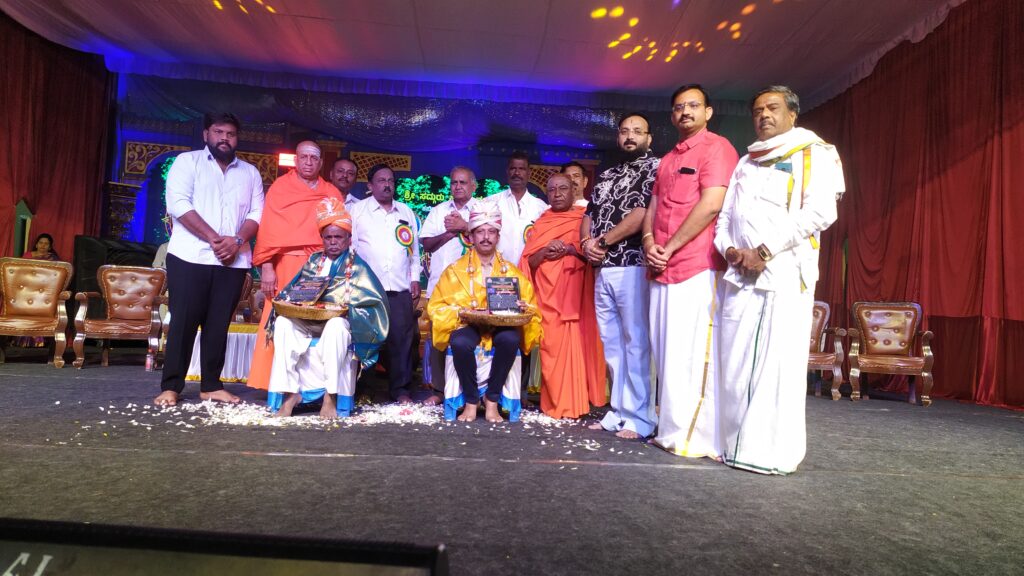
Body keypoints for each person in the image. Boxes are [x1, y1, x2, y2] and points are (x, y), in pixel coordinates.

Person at [713, 85, 844, 474]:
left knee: (776, 366)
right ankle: (732, 445)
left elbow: (819, 213)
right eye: (757, 111)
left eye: (772, 108)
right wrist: (730, 250)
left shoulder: (815, 153)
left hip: (783, 276)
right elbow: (726, 217)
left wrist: (764, 251)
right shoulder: (746, 161)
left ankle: (768, 454)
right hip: (740, 275)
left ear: (792, 114)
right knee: (733, 363)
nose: (764, 115)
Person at [641, 85, 739, 456]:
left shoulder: (718, 148)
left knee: (692, 353)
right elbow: (653, 206)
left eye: (694, 105)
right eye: (679, 107)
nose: (686, 112)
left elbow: (712, 204)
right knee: (666, 353)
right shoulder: (668, 158)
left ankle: (695, 437)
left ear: (708, 112)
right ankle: (670, 429)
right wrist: (649, 242)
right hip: (660, 267)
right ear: (672, 116)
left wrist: (669, 248)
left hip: (696, 266)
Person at [155, 112, 264, 407]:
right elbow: (178, 204)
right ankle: (171, 386)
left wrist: (237, 241)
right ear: (206, 135)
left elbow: (257, 213)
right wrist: (215, 238)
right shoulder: (187, 162)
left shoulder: (250, 172)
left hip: (233, 260)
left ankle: (212, 386)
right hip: (190, 256)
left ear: (236, 138)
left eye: (230, 133)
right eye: (218, 132)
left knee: (218, 324)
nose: (224, 138)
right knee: (183, 323)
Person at [267, 197, 389, 419]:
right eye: (328, 237)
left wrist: (348, 309)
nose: (333, 242)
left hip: (339, 323)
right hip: (307, 320)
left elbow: (375, 306)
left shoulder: (359, 268)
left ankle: (330, 397)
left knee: (335, 327)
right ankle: (290, 394)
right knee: (283, 323)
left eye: (338, 237)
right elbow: (294, 290)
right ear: (322, 239)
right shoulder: (314, 262)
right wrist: (292, 302)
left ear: (348, 239)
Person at [581, 112, 660, 439]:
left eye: (637, 131)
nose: (630, 136)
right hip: (603, 268)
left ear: (648, 138)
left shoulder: (655, 168)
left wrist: (602, 242)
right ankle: (618, 411)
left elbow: (643, 214)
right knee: (612, 344)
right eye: (625, 131)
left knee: (636, 343)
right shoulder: (607, 174)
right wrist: (586, 244)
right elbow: (589, 214)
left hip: (633, 265)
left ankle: (641, 418)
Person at [427, 202, 541, 423]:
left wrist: (521, 307)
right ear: (471, 236)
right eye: (480, 232)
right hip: (467, 324)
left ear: (498, 237)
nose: (486, 237)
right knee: (460, 342)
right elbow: (437, 307)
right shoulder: (454, 271)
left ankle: (492, 399)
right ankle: (471, 401)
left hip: (501, 325)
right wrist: (460, 311)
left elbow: (531, 308)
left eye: (491, 232)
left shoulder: (512, 272)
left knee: (510, 339)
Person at [247, 141, 345, 391]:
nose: (309, 162)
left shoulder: (331, 192)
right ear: (296, 160)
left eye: (314, 158)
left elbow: (340, 233)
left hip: (320, 266)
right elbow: (267, 232)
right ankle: (272, 382)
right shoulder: (280, 188)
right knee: (278, 319)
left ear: (321, 163)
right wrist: (267, 268)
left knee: (319, 321)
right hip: (285, 265)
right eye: (304, 157)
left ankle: (314, 387)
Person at [521, 174, 605, 419]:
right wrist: (546, 250)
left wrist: (569, 249)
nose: (557, 194)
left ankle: (576, 404)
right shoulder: (541, 223)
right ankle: (555, 403)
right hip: (548, 297)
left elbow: (593, 256)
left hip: (575, 297)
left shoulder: (583, 220)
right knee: (551, 350)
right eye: (552, 189)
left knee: (576, 347)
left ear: (573, 191)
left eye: (563, 188)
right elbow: (528, 262)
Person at [350, 164, 422, 403]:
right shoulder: (357, 211)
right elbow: (351, 249)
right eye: (381, 180)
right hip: (368, 287)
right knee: (367, 338)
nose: (387, 184)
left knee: (402, 340)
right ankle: (365, 390)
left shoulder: (406, 211)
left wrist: (414, 278)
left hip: (399, 288)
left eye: (390, 180)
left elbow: (414, 250)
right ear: (370, 185)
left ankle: (401, 390)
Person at [418, 166, 479, 405]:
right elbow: (427, 245)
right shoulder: (438, 211)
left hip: (472, 288)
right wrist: (450, 233)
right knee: (438, 339)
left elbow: (489, 238)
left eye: (463, 182)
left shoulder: (481, 210)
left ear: (473, 186)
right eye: (454, 182)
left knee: (470, 339)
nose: (458, 186)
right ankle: (439, 390)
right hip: (440, 287)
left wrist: (464, 226)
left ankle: (471, 390)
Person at [494, 151, 549, 266]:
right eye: (513, 168)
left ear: (529, 173)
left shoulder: (541, 208)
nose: (517, 173)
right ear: (507, 172)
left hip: (528, 271)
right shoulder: (492, 203)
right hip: (498, 271)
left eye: (521, 169)